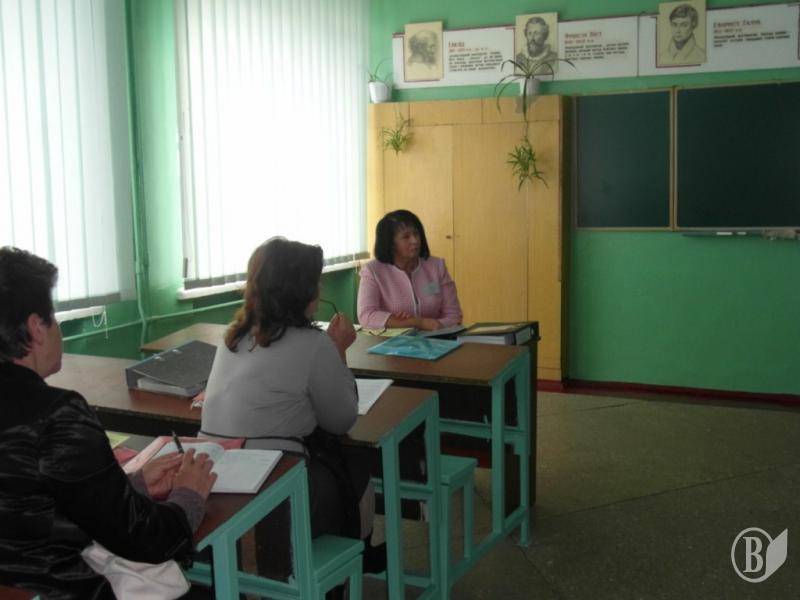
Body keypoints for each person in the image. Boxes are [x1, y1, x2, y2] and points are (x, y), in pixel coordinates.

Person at [0, 246, 217, 599]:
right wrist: (188, 496)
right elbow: (145, 541)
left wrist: (131, 487)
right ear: (36, 328)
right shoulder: (59, 416)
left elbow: (33, 504)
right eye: (54, 318)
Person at [200, 237, 385, 578]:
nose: (320, 289)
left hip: (215, 486)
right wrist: (339, 351)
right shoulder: (315, 344)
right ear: (303, 292)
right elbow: (341, 419)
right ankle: (355, 559)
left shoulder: (233, 337)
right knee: (356, 471)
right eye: (316, 282)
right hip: (275, 495)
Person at [357, 209, 462, 331]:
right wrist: (417, 322)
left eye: (416, 234)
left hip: (437, 338)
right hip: (391, 342)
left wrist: (438, 326)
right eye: (406, 237)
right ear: (390, 243)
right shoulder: (373, 271)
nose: (415, 241)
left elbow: (454, 314)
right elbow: (367, 316)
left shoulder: (436, 266)